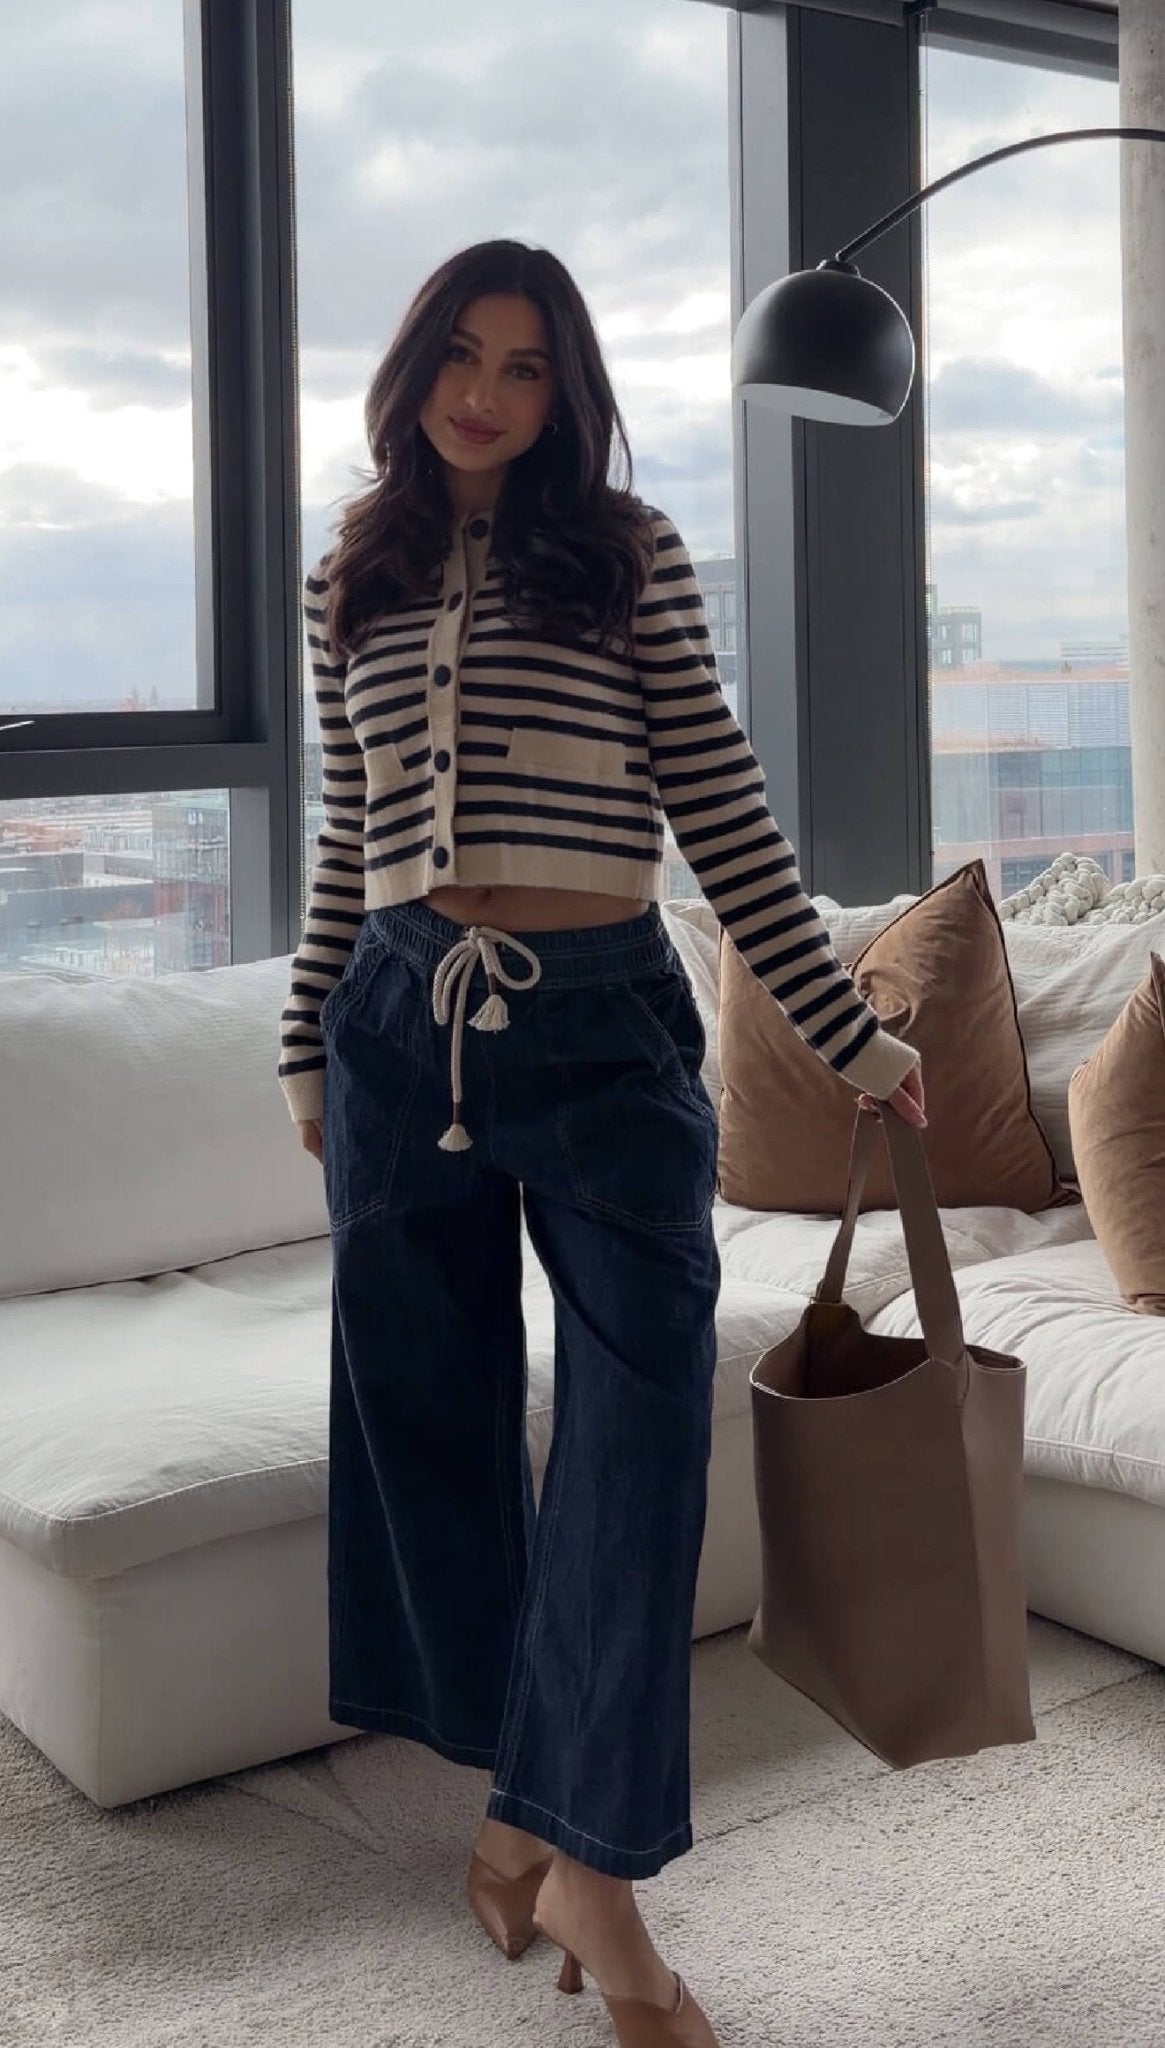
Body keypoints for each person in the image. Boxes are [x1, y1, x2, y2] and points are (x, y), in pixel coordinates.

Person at [278, 238, 925, 2048]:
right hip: (403, 1035)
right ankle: (520, 1810)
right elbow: (348, 840)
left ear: (569, 396)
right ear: (414, 368)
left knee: (638, 1450)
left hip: (608, 1034)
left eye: (530, 366)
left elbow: (716, 796)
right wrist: (304, 1055)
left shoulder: (624, 553)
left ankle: (595, 1880)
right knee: (431, 1435)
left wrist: (846, 1029)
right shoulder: (356, 568)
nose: (488, 390)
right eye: (463, 355)